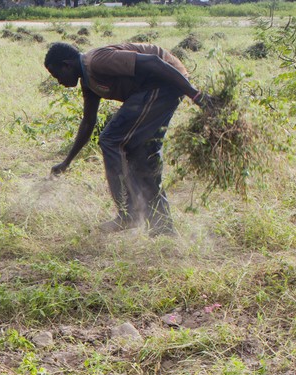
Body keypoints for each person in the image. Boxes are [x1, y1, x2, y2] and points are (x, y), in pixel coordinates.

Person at [43, 41, 212, 236]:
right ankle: (163, 229)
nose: (59, 82)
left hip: (164, 82)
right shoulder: (88, 81)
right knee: (142, 156)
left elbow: (153, 62)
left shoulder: (97, 61)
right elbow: (89, 122)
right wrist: (67, 161)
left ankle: (128, 213)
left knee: (111, 139)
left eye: (57, 76)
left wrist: (195, 94)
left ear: (67, 65)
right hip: (157, 88)